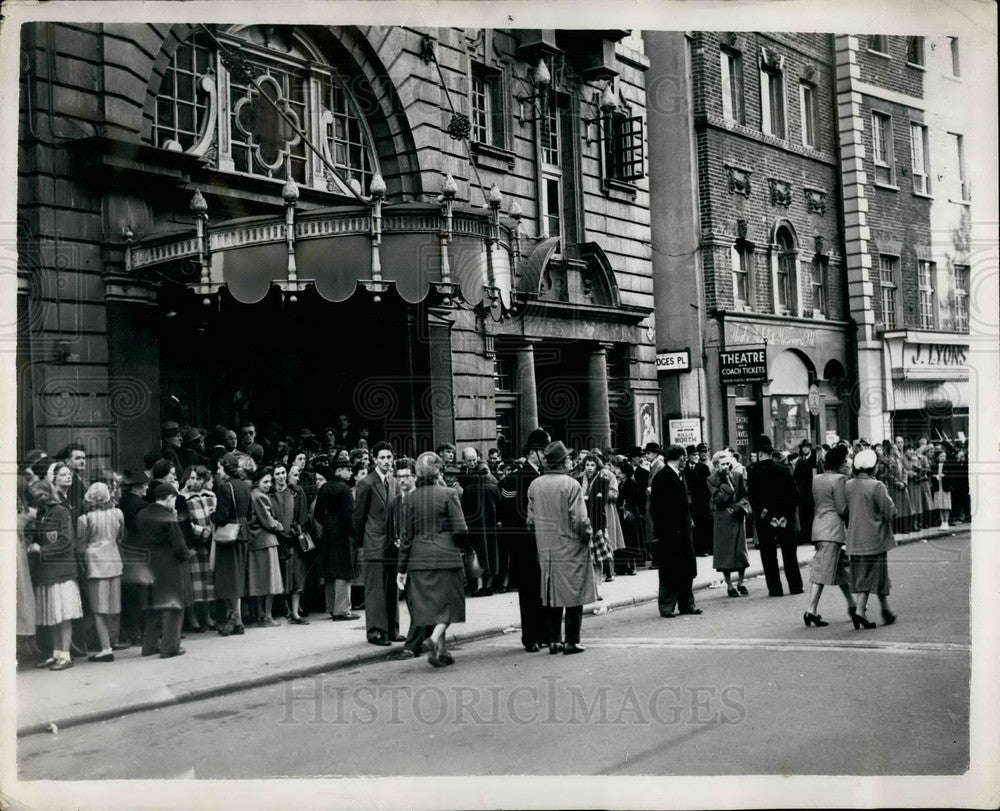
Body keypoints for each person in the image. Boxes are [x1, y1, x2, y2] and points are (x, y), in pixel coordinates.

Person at [396, 452, 468, 667]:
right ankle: (434, 639)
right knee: (449, 604)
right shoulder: (449, 493)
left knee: (433, 605)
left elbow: (406, 537)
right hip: (446, 556)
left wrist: (401, 570)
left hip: (419, 558)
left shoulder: (410, 498)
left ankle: (442, 652)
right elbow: (461, 528)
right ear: (439, 470)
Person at [527, 441, 596, 655]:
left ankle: (554, 640)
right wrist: (588, 536)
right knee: (575, 594)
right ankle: (571, 641)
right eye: (567, 458)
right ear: (563, 461)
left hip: (546, 548)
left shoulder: (535, 484)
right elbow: (580, 520)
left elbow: (530, 521)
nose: (570, 461)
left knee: (551, 595)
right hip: (571, 546)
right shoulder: (571, 484)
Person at [498, 428, 551, 653]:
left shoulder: (544, 477)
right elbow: (509, 515)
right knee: (529, 592)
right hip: (525, 544)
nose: (547, 457)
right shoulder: (515, 479)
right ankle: (530, 637)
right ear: (532, 453)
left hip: (542, 544)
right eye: (543, 452)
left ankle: (543, 633)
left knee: (543, 591)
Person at [26, 479, 83, 671]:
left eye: (41, 494)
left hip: (61, 572)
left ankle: (65, 655)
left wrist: (40, 550)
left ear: (49, 493)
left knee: (64, 615)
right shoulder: (41, 513)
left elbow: (66, 541)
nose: (39, 499)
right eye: (35, 496)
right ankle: (56, 653)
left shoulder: (61, 512)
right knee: (52, 615)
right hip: (46, 573)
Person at [802, 444, 858, 627]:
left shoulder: (817, 478)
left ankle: (852, 605)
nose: (848, 463)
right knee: (822, 570)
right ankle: (811, 610)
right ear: (840, 463)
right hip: (833, 530)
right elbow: (842, 508)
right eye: (846, 461)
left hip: (819, 526)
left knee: (841, 570)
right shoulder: (840, 479)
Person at [353, 441, 402, 646]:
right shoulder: (366, 483)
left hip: (392, 542)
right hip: (374, 542)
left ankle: (392, 629)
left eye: (389, 457)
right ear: (374, 459)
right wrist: (360, 545)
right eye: (382, 457)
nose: (386, 461)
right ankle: (375, 632)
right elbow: (358, 517)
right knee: (375, 590)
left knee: (392, 588)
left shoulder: (393, 481)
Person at [136, 483, 193, 658]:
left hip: (149, 565)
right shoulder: (168, 517)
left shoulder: (142, 514)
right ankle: (170, 647)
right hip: (170, 566)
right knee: (173, 606)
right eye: (174, 498)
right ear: (169, 497)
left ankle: (149, 646)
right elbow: (179, 545)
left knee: (153, 606)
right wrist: (187, 555)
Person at [845, 449, 898, 629]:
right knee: (877, 576)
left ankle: (885, 609)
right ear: (873, 467)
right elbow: (891, 511)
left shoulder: (849, 485)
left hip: (855, 538)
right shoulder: (877, 486)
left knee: (862, 576)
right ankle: (861, 611)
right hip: (875, 538)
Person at [649, 444, 702, 618]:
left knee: (686, 569)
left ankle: (687, 604)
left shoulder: (680, 475)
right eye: (684, 458)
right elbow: (656, 509)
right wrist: (665, 531)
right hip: (670, 533)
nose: (686, 461)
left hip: (684, 531)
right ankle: (666, 606)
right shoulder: (662, 478)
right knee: (669, 570)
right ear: (680, 458)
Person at [747, 435, 803, 597]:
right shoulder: (784, 470)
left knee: (769, 556)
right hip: (785, 519)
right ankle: (796, 586)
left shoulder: (754, 471)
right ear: (771, 452)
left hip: (765, 520)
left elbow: (754, 499)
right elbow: (794, 496)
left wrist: (769, 516)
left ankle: (775, 588)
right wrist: (784, 516)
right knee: (789, 554)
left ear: (759, 453)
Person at [75, 482, 124, 661]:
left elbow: (80, 546)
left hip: (95, 564)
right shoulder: (117, 514)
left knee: (98, 609)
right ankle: (113, 640)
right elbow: (121, 537)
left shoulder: (84, 519)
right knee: (112, 607)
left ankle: (106, 648)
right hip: (114, 561)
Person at [210, 452, 252, 636]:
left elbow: (221, 517)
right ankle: (238, 621)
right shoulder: (245, 485)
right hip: (243, 532)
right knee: (238, 578)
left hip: (229, 535)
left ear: (226, 468)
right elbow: (249, 514)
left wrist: (212, 514)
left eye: (219, 467)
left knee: (229, 580)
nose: (218, 471)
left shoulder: (224, 487)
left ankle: (234, 618)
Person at [313, 457, 359, 621]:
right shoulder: (345, 489)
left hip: (329, 531)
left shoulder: (325, 487)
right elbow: (349, 516)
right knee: (343, 570)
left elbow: (317, 514)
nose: (351, 471)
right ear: (339, 471)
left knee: (331, 569)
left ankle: (331, 607)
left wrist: (328, 523)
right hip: (342, 532)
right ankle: (342, 610)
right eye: (348, 469)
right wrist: (353, 533)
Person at [706, 450, 750, 598]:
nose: (726, 466)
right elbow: (718, 499)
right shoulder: (711, 480)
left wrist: (742, 506)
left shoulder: (737, 476)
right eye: (722, 464)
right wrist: (725, 483)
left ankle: (741, 582)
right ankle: (729, 585)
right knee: (725, 553)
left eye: (727, 463)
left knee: (740, 550)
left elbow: (744, 494)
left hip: (737, 517)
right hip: (723, 519)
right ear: (716, 465)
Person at [179, 465, 217, 632]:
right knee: (194, 582)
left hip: (209, 542)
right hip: (194, 542)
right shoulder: (183, 498)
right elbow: (184, 522)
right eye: (192, 478)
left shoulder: (210, 495)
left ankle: (207, 615)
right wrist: (200, 531)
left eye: (198, 478)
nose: (195, 481)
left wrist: (210, 529)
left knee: (208, 581)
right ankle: (193, 617)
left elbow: (214, 515)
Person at [247, 467, 286, 626]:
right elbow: (268, 521)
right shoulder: (260, 497)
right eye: (266, 481)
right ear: (258, 482)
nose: (269, 484)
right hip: (266, 541)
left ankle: (260, 614)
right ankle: (267, 616)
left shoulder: (252, 495)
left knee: (257, 581)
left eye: (270, 481)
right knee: (270, 581)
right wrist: (279, 525)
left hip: (255, 542)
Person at [459, 454, 501, 596]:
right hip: (491, 526)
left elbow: (464, 509)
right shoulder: (494, 488)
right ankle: (489, 586)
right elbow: (499, 507)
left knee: (478, 555)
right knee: (491, 554)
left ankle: (479, 586)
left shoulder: (469, 489)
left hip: (475, 526)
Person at [684, 444, 713, 557]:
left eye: (697, 454)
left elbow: (708, 485)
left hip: (702, 501)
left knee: (703, 525)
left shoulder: (703, 468)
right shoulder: (684, 468)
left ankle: (704, 548)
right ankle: (694, 549)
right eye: (693, 454)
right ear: (688, 456)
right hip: (690, 502)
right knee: (692, 526)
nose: (696, 456)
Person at [793, 439, 819, 544]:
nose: (805, 448)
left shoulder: (813, 460)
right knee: (803, 514)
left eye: (807, 447)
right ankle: (805, 535)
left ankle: (811, 536)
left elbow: (815, 476)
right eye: (803, 447)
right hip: (802, 492)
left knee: (811, 514)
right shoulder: (800, 460)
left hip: (811, 490)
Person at [932, 449, 952, 528]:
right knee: (940, 505)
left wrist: (945, 476)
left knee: (946, 505)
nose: (943, 458)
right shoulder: (935, 465)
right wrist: (935, 476)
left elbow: (951, 476)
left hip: (945, 487)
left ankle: (946, 521)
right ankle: (942, 521)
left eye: (944, 456)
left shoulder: (948, 465)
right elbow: (932, 474)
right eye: (941, 456)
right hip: (938, 487)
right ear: (937, 457)